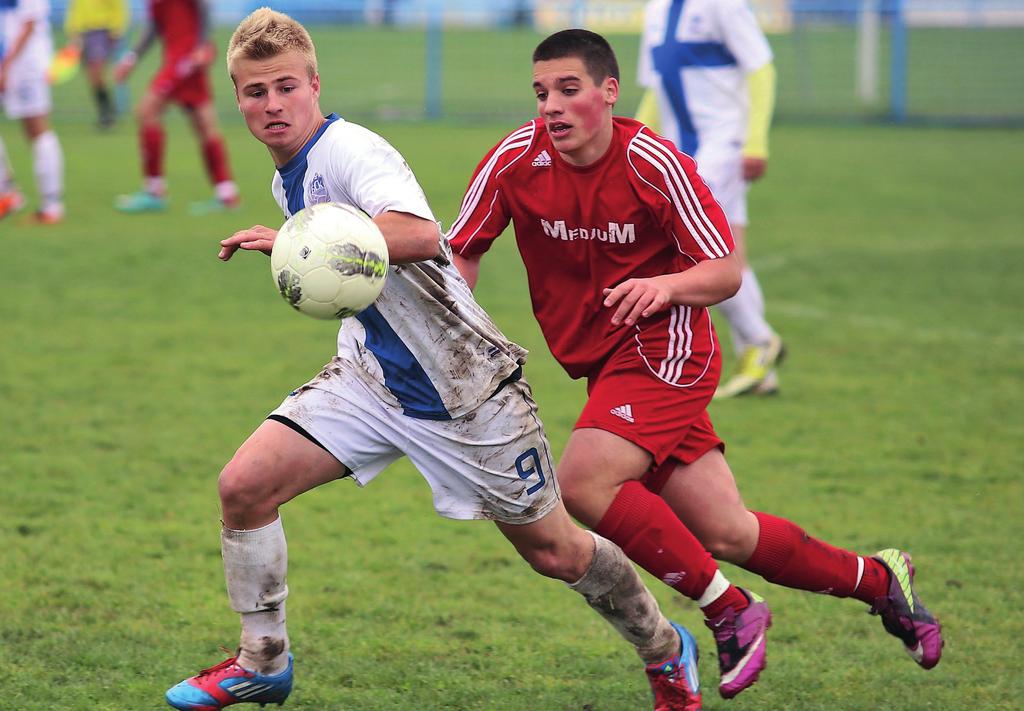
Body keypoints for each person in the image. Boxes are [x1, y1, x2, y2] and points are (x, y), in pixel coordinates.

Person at [164, 10, 702, 711]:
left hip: (466, 391)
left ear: (315, 83)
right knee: (243, 487)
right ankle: (262, 659)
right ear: (236, 97)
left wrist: (307, 239)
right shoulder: (289, 174)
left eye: (285, 87)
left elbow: (421, 235)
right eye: (255, 92)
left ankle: (665, 649)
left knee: (558, 552)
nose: (271, 105)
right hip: (372, 378)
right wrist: (301, 236)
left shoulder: (353, 152)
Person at [448, 28, 943, 698]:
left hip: (668, 349)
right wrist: (452, 328)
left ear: (609, 92)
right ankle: (883, 583)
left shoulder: (652, 162)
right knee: (728, 530)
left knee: (586, 482)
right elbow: (463, 247)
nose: (551, 107)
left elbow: (726, 270)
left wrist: (665, 286)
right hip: (605, 363)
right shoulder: (516, 159)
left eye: (569, 89)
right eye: (541, 93)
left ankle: (729, 609)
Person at [637, 0, 783, 398]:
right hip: (683, 152)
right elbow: (656, 89)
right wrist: (635, 142)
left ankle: (759, 338)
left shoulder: (723, 5)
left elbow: (761, 69)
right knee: (729, 252)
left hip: (724, 146)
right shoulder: (655, 11)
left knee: (696, 251)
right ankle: (760, 368)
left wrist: (755, 140)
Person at [112, 0, 239, 215]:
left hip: (187, 57)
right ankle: (226, 194)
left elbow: (204, 7)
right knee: (204, 123)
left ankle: (154, 191)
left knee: (147, 111)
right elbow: (154, 27)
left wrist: (202, 45)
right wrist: (131, 58)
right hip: (178, 57)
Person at [0, 0, 65, 224]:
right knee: (35, 132)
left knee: (37, 131)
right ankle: (6, 193)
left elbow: (29, 25)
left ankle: (52, 206)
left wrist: (6, 65)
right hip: (14, 62)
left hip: (27, 65)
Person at [64, 0, 129, 129]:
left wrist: (116, 30)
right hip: (81, 33)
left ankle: (107, 113)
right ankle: (106, 111)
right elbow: (74, 9)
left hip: (101, 31)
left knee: (97, 71)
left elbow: (118, 7)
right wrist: (72, 31)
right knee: (92, 76)